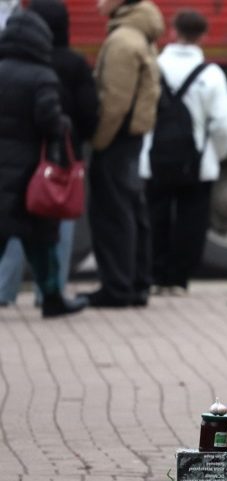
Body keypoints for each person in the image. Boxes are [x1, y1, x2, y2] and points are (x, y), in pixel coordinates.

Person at [0, 0, 99, 308]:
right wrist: (65, 126)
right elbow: (50, 121)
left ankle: (8, 291)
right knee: (43, 238)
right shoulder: (41, 76)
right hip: (32, 170)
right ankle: (52, 297)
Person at [139, 9, 227, 296]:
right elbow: (224, 124)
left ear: (172, 31)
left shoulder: (153, 67)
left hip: (154, 158)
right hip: (196, 162)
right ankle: (179, 278)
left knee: (155, 216)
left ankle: (156, 274)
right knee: (191, 220)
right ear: (203, 36)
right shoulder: (211, 74)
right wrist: (213, 155)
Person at [85, 0, 163, 308]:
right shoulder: (139, 34)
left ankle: (116, 287)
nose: (97, 3)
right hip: (131, 138)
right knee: (132, 210)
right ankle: (136, 283)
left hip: (116, 139)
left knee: (113, 214)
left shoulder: (121, 41)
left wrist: (99, 142)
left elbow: (114, 102)